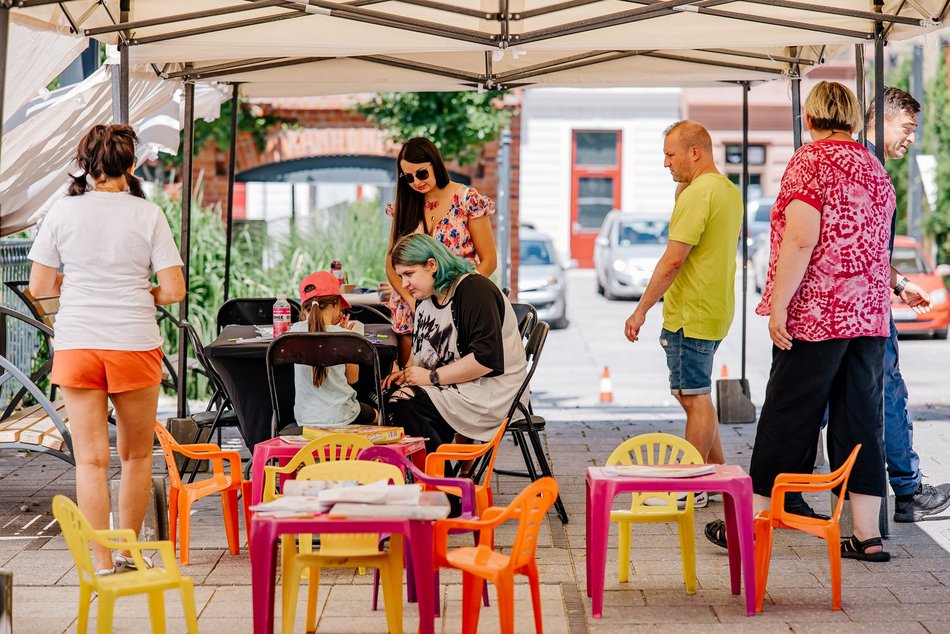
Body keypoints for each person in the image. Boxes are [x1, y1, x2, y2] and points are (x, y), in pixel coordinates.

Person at [722, 81, 895, 561]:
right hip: (868, 315)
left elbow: (801, 239)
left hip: (819, 312)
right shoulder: (875, 168)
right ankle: (867, 536)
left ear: (810, 118)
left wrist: (778, 306)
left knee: (787, 412)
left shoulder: (810, 161)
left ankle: (752, 523)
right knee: (860, 420)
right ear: (855, 119)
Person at [27, 124, 185, 575]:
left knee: (90, 461)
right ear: (131, 165)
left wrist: (73, 284)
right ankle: (126, 553)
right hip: (133, 343)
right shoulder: (147, 213)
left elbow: (39, 285)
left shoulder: (62, 211)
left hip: (78, 343)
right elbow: (174, 289)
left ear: (86, 165)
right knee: (135, 457)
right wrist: (144, 292)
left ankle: (99, 562)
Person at [624, 120, 742, 506]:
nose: (665, 164)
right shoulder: (726, 191)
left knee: (693, 398)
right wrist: (683, 182)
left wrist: (640, 310)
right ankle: (717, 479)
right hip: (714, 309)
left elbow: (673, 261)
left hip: (690, 313)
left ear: (696, 152)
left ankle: (688, 487)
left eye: (670, 155)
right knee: (697, 395)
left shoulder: (697, 196)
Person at [865, 87, 950, 522]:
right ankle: (908, 489)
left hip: (849, 308)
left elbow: (870, 252)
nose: (912, 138)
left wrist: (899, 285)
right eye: (907, 127)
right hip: (862, 314)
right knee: (887, 396)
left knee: (815, 404)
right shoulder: (869, 170)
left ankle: (780, 495)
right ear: (880, 119)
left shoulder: (866, 164)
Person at [383, 234, 526, 455]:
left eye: (409, 274)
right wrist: (407, 373)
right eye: (401, 276)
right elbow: (425, 349)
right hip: (457, 385)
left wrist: (430, 377)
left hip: (490, 392)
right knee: (384, 395)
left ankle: (443, 485)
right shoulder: (427, 296)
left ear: (432, 265)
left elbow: (485, 359)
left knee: (404, 404)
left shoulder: (474, 290)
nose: (404, 284)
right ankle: (430, 476)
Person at [385, 137, 498, 367]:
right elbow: (390, 262)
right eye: (408, 177)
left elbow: (489, 261)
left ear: (435, 164)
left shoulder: (467, 200)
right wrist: (411, 302)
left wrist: (457, 301)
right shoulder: (405, 206)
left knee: (446, 378)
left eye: (422, 173)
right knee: (410, 380)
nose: (416, 182)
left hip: (455, 309)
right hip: (413, 308)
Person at [290, 271, 378, 427]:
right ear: (336, 304)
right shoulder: (346, 336)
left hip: (305, 418)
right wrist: (350, 337)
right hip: (342, 415)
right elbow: (353, 379)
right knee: (377, 415)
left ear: (305, 308)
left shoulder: (293, 332)